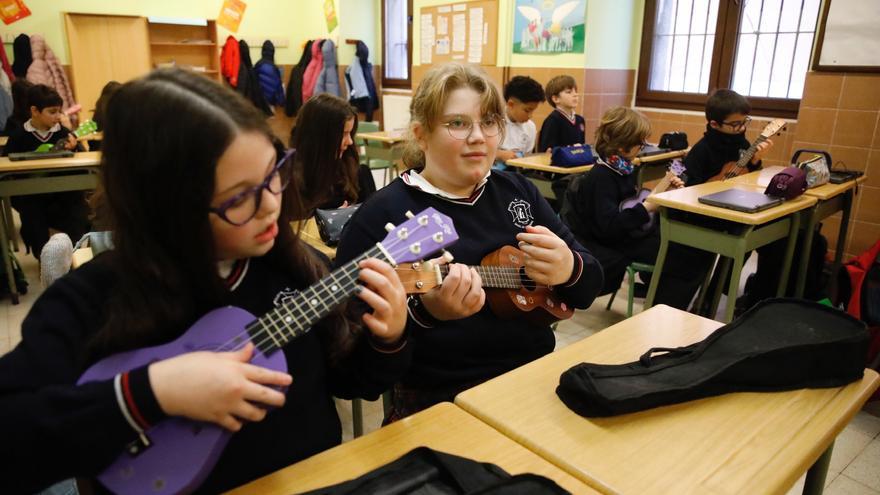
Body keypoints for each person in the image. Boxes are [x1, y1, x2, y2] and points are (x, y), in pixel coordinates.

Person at [0, 69, 411, 493]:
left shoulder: (293, 265)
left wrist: (388, 339)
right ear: (166, 207)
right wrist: (153, 392)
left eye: (273, 173)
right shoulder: (93, 299)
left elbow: (352, 381)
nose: (271, 204)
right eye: (238, 198)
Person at [335, 63, 603, 422]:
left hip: (536, 383)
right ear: (421, 134)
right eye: (458, 123)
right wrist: (426, 315)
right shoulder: (381, 217)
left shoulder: (519, 192)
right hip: (442, 402)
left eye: (489, 121)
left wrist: (569, 267)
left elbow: (588, 290)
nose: (478, 136)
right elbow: (355, 376)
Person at [560, 107, 712, 310]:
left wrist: (663, 188)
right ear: (623, 146)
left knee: (693, 248)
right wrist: (649, 206)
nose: (643, 147)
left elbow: (629, 206)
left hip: (631, 235)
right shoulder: (601, 177)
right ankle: (663, 314)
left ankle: (670, 306)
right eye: (640, 143)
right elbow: (610, 226)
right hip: (614, 243)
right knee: (684, 257)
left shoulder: (622, 169)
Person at [4, 83, 90, 259]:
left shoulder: (64, 133)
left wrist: (74, 149)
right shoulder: (18, 136)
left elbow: (83, 163)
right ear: (35, 111)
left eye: (59, 111)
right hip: (31, 194)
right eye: (52, 112)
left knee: (78, 210)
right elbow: (6, 164)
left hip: (64, 192)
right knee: (32, 215)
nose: (58, 116)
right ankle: (44, 258)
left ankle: (74, 256)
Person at [289, 93, 376, 212]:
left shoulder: (359, 175)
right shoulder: (290, 181)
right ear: (321, 137)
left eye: (350, 134)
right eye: (343, 134)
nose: (350, 141)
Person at [683, 89, 772, 186]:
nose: (742, 128)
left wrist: (755, 161)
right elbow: (689, 184)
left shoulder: (743, 143)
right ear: (714, 124)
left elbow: (748, 175)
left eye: (744, 121)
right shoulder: (701, 150)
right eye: (735, 124)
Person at [494, 75, 544, 167]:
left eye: (533, 110)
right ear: (511, 104)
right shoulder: (492, 122)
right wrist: (499, 154)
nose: (530, 116)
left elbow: (527, 157)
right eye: (527, 110)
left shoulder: (530, 127)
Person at [538, 74, 585, 152]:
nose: (575, 95)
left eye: (576, 92)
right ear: (556, 99)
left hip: (577, 162)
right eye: (569, 92)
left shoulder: (580, 120)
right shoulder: (552, 120)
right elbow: (547, 150)